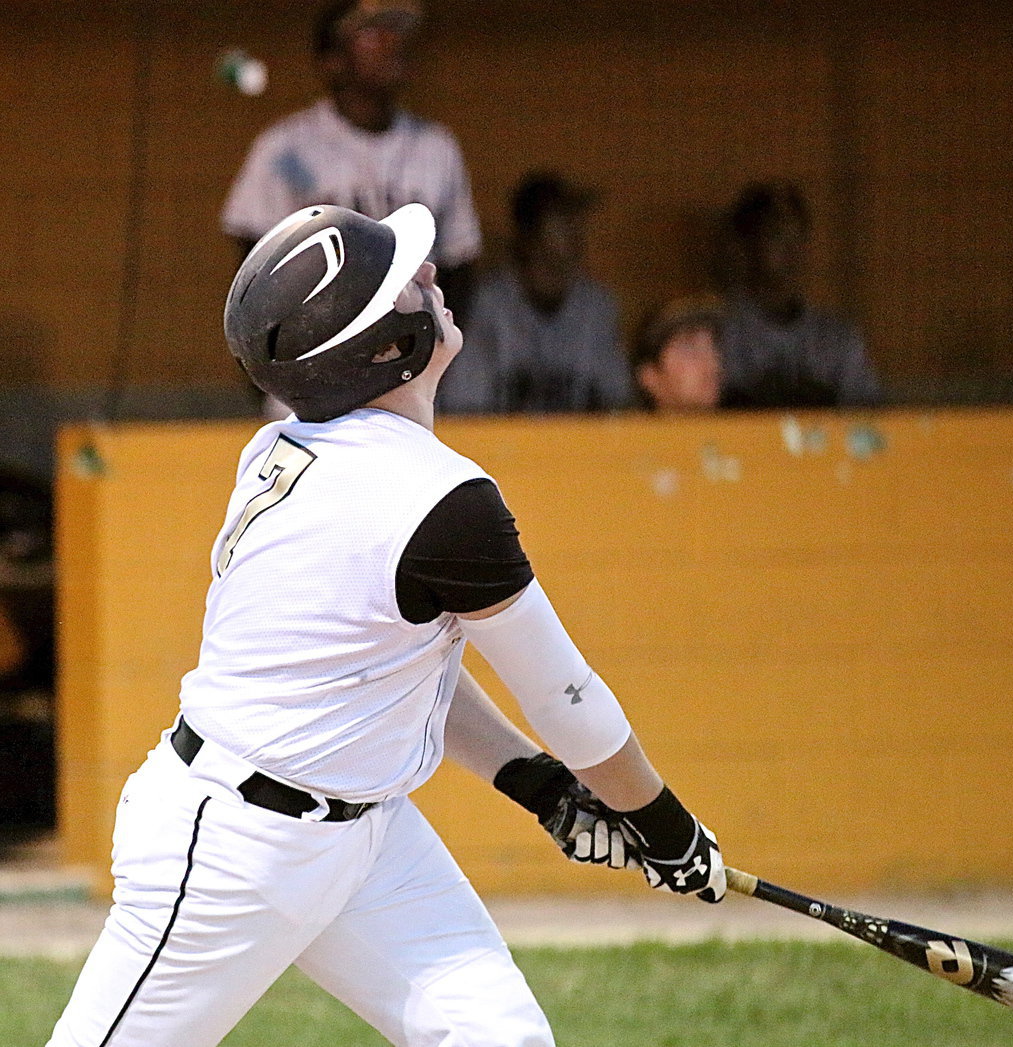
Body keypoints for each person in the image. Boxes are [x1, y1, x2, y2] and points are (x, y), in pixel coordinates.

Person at [45, 202, 724, 1047]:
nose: (434, 276)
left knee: (501, 1038)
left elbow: (400, 666)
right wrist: (665, 827)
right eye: (409, 278)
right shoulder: (440, 501)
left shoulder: (292, 447)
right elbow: (567, 697)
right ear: (383, 347)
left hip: (369, 833)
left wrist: (538, 785)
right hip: (233, 850)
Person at [220, 0, 481, 317]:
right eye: (374, 32)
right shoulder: (286, 147)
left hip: (409, 339)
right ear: (332, 60)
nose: (392, 43)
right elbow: (253, 263)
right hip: (318, 338)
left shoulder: (437, 147)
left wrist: (436, 345)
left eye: (397, 32)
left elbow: (459, 264)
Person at [437, 171, 633, 414]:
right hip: (500, 449)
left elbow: (621, 405)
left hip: (585, 449)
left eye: (577, 219)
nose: (575, 229)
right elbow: (463, 409)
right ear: (529, 230)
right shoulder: (488, 303)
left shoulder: (597, 306)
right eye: (562, 218)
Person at [719, 180, 882, 409]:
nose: (791, 251)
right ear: (746, 246)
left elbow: (870, 416)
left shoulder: (838, 337)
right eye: (776, 237)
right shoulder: (717, 333)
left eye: (799, 238)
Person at [630, 295, 725, 412]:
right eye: (689, 347)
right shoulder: (619, 429)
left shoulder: (745, 428)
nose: (713, 362)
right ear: (649, 376)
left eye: (714, 347)